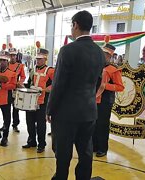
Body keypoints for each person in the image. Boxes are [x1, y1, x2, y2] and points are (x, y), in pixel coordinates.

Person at [46, 10, 106, 180]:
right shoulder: (99, 52)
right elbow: (97, 82)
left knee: (63, 154)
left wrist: (50, 109)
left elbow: (58, 85)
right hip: (89, 112)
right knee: (86, 152)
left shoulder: (67, 51)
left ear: (75, 25)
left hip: (66, 114)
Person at [93, 44, 124, 157]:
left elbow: (120, 87)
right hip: (93, 100)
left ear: (109, 56)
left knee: (102, 125)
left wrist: (106, 86)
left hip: (105, 101)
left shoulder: (113, 70)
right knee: (93, 124)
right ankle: (94, 146)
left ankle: (102, 148)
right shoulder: (95, 67)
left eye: (105, 54)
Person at [22, 42, 54, 153]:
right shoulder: (32, 70)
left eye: (40, 59)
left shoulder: (50, 70)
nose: (38, 61)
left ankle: (41, 144)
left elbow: (55, 85)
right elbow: (29, 82)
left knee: (41, 124)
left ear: (45, 59)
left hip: (43, 101)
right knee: (29, 122)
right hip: (31, 100)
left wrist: (45, 90)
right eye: (37, 59)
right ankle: (31, 141)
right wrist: (24, 86)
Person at [7, 43, 26, 132]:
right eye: (11, 55)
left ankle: (15, 124)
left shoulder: (20, 66)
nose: (12, 57)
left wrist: (20, 82)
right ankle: (5, 124)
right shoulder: (4, 64)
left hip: (15, 90)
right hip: (6, 89)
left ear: (16, 55)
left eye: (14, 55)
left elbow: (23, 76)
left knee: (15, 108)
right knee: (6, 108)